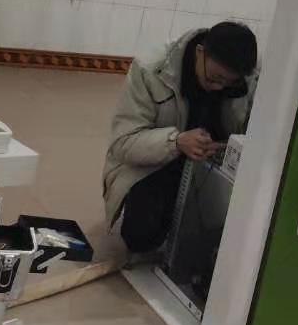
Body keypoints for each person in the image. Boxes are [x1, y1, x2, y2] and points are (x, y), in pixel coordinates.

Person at [103, 22, 258, 255]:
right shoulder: (150, 70)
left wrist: (227, 147)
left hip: (213, 167)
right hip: (157, 161)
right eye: (214, 78)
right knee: (141, 236)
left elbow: (256, 138)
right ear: (200, 52)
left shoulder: (250, 80)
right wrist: (176, 141)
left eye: (229, 83)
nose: (219, 88)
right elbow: (123, 143)